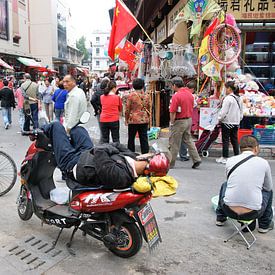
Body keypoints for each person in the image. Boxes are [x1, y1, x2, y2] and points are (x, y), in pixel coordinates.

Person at [42, 122, 170, 189]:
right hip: (87, 156)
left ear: (147, 161)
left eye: (150, 155)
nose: (148, 153)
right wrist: (112, 149)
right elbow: (116, 146)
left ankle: (38, 130)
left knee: (56, 126)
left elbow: (101, 151)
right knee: (77, 129)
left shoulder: (122, 176)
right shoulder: (134, 159)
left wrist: (111, 149)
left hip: (74, 164)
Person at [216, 135, 273, 233]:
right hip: (253, 212)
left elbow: (230, 181)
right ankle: (264, 225)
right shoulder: (263, 163)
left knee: (225, 185)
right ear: (256, 148)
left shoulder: (230, 161)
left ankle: (220, 218)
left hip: (229, 210)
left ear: (240, 148)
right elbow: (268, 187)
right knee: (269, 191)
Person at [168, 77, 201, 169]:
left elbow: (173, 111)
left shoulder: (176, 96)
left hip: (179, 121)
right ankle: (196, 158)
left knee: (174, 142)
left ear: (174, 85)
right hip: (188, 119)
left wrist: (172, 122)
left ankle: (171, 163)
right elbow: (194, 105)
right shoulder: (190, 94)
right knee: (189, 140)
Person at [216, 81, 243, 165]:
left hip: (227, 122)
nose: (225, 90)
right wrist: (238, 119)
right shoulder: (239, 98)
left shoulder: (228, 98)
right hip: (236, 122)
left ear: (229, 89)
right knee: (234, 140)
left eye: (226, 88)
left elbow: (223, 112)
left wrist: (219, 118)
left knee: (226, 140)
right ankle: (237, 156)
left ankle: (225, 157)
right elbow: (241, 112)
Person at [125, 78, 150, 154]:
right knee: (144, 138)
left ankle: (131, 154)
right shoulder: (147, 96)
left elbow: (127, 109)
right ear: (143, 86)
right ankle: (145, 155)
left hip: (133, 119)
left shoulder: (131, 96)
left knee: (131, 138)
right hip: (144, 119)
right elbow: (149, 107)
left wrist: (126, 119)